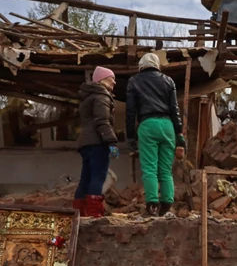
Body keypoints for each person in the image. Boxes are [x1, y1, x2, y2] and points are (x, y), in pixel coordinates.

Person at [126, 53, 185, 217]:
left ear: (141, 65)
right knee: (166, 170)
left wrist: (130, 136)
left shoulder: (134, 81)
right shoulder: (168, 81)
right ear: (157, 65)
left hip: (148, 125)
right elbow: (175, 109)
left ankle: (152, 206)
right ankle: (166, 206)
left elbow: (130, 111)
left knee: (149, 169)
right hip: (167, 126)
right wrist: (179, 132)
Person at [74, 66, 119, 218]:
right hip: (98, 142)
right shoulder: (101, 96)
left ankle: (79, 214)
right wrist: (111, 142)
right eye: (111, 78)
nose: (114, 82)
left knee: (85, 178)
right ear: (102, 80)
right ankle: (94, 214)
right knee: (98, 177)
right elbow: (102, 121)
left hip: (85, 143)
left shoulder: (88, 97)